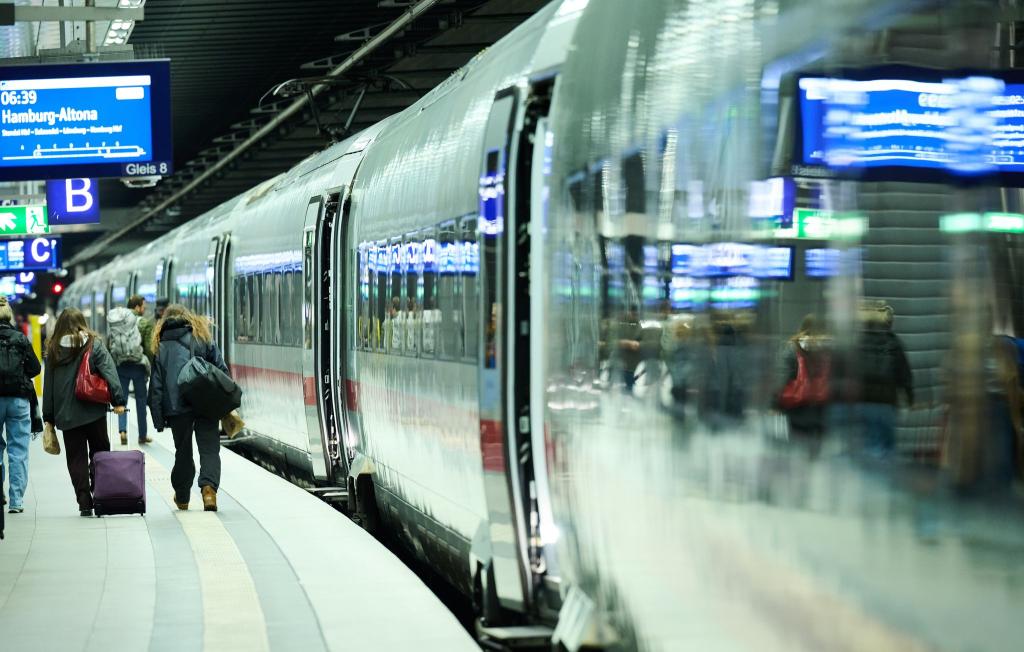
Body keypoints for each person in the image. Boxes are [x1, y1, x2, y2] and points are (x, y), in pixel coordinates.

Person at [42, 308, 126, 517]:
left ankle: (84, 501)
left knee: (75, 458)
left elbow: (49, 385)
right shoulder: (94, 344)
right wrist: (118, 401)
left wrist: (49, 416)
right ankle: (99, 492)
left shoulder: (53, 348)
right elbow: (110, 372)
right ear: (82, 323)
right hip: (93, 411)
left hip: (66, 415)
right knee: (100, 451)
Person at [148, 304, 230, 512]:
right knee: (210, 449)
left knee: (183, 453)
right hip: (205, 402)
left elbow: (156, 385)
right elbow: (220, 369)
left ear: (164, 321)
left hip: (178, 408)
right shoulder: (202, 335)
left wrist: (158, 419)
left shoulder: (161, 343)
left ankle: (183, 496)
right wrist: (224, 400)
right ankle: (209, 491)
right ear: (188, 317)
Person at [0, 297, 41, 514]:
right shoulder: (20, 338)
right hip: (18, 399)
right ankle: (16, 501)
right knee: (18, 451)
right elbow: (35, 369)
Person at [856, 306, 913, 457]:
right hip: (886, 402)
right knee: (886, 448)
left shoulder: (856, 341)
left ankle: (865, 476)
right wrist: (909, 397)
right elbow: (904, 374)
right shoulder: (893, 343)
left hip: (860, 401)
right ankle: (883, 476)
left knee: (862, 444)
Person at [778, 315, 831, 452]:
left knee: (796, 448)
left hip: (797, 406)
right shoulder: (829, 349)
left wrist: (776, 402)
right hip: (821, 407)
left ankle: (799, 471)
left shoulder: (792, 348)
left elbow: (783, 375)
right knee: (817, 449)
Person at [107, 296, 152, 446]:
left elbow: (110, 342)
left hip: (121, 366)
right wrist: (149, 365)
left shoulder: (117, 322)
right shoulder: (143, 323)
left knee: (122, 400)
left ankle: (123, 431)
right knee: (141, 400)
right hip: (138, 366)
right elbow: (148, 348)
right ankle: (142, 435)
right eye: (143, 306)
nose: (144, 309)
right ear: (138, 307)